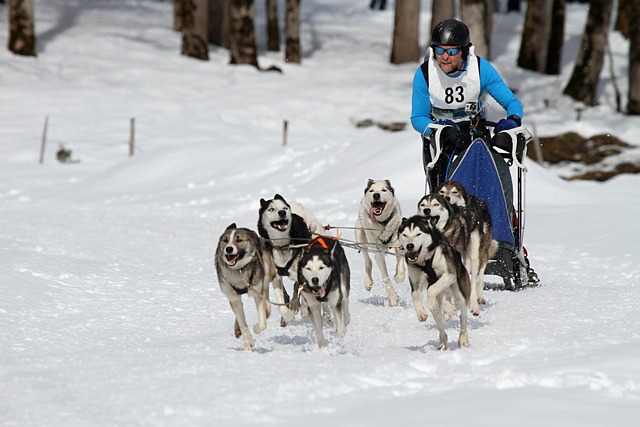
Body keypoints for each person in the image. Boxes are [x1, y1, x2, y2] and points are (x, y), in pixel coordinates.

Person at [410, 18, 523, 191]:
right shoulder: (425, 73)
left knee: (490, 182)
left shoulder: (480, 68)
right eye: (439, 50)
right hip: (440, 133)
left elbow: (511, 102)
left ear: (463, 51)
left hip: (472, 130)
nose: (444, 57)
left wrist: (513, 120)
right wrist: (436, 130)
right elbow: (418, 117)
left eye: (452, 51)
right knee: (441, 190)